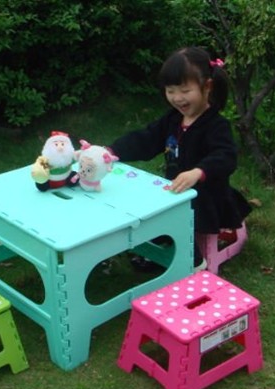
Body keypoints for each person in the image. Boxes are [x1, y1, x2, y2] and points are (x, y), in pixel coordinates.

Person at [108, 46, 252, 272]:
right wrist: (112, 151)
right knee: (150, 205)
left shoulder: (216, 125)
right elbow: (146, 139)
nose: (177, 98)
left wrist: (198, 172)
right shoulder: (173, 120)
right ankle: (158, 245)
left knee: (178, 214)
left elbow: (225, 156)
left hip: (208, 197)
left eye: (185, 90)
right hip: (175, 190)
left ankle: (195, 263)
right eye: (170, 91)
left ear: (207, 87)